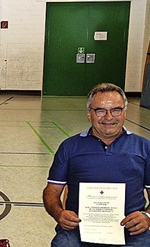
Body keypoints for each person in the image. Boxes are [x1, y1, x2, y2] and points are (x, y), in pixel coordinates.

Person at [43, 83, 150, 246]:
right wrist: (59, 214)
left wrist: (147, 217)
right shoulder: (70, 147)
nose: (109, 117)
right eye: (100, 111)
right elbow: (52, 191)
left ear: (124, 112)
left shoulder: (144, 147)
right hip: (78, 230)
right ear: (89, 114)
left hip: (131, 232)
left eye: (116, 110)